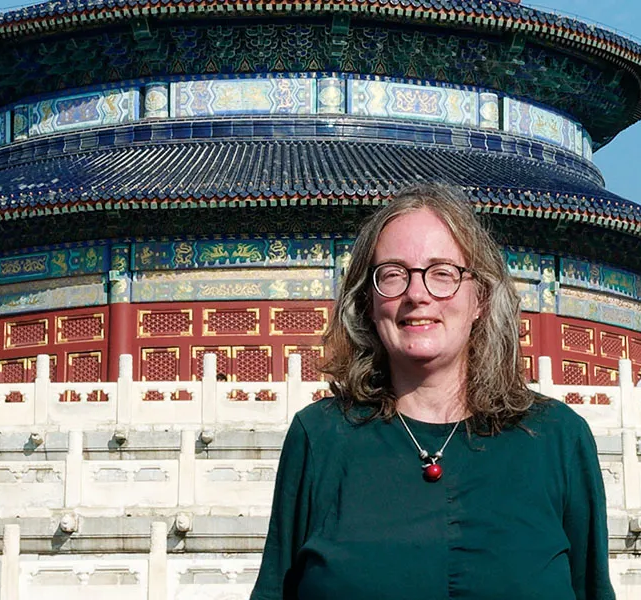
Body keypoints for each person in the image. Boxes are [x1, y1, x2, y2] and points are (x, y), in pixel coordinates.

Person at [251, 184, 614, 599]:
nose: (417, 295)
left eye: (443, 273)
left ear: (480, 297)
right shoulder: (320, 438)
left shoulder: (557, 439)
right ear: (368, 301)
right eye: (392, 274)